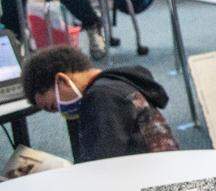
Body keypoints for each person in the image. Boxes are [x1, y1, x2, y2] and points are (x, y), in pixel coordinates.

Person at [21, 45, 178, 163]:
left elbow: (99, 165)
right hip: (159, 172)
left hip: (146, 186)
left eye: (54, 106)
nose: (62, 112)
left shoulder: (101, 97)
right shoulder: (115, 83)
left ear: (62, 80)